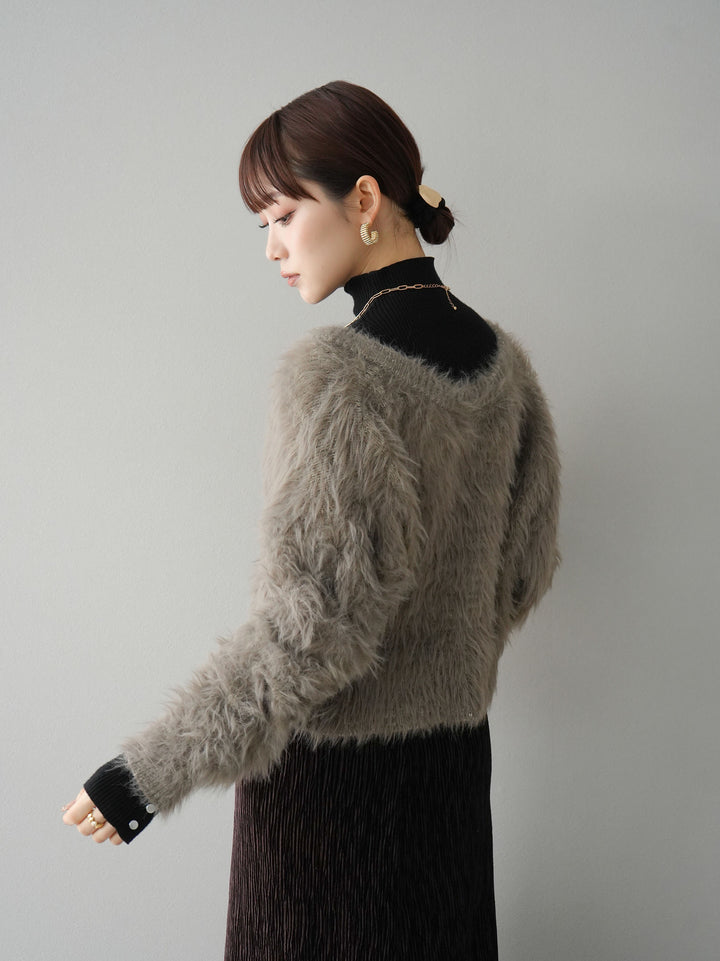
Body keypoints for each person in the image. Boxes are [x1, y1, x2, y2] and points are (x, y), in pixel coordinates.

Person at [63, 80, 560, 960]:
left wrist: (145, 775)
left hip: (334, 801)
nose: (272, 247)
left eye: (284, 215)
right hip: (450, 777)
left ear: (363, 199)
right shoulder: (504, 366)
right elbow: (523, 571)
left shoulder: (339, 376)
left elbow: (311, 631)